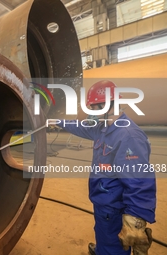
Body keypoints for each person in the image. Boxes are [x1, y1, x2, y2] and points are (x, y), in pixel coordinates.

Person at [56, 80, 156, 255]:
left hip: (115, 209)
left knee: (113, 246)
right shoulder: (102, 128)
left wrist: (135, 217)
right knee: (104, 237)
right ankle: (103, 249)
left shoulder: (127, 136)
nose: (91, 114)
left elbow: (139, 180)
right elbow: (80, 127)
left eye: (93, 108)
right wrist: (59, 122)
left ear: (108, 105)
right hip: (104, 204)